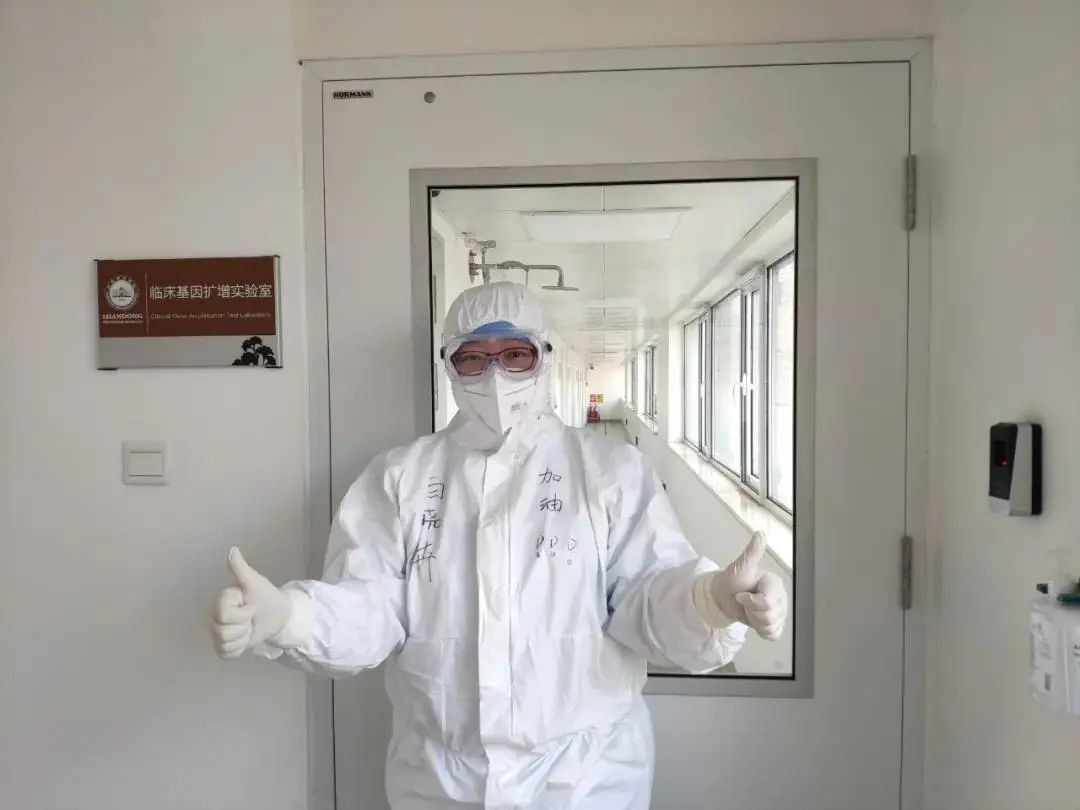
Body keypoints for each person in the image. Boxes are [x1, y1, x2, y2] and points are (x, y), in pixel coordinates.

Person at [212, 281, 787, 809]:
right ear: (449, 365)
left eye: (515, 355)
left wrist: (710, 601)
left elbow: (645, 596)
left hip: (585, 780)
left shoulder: (608, 470)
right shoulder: (402, 477)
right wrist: (293, 616)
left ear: (544, 357)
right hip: (440, 780)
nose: (494, 376)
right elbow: (370, 605)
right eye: (472, 357)